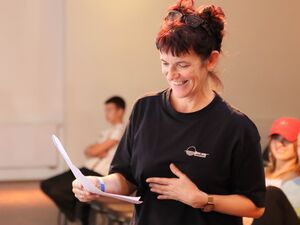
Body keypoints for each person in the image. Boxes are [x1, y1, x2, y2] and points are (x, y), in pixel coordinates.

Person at [72, 1, 266, 225]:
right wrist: (100, 185)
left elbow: (255, 206)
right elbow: (126, 177)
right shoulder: (145, 109)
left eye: (182, 65)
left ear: (211, 60)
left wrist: (202, 199)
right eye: (165, 63)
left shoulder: (236, 127)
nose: (171, 74)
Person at [41, 96, 126, 225]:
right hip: (88, 168)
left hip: (98, 173)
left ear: (120, 111)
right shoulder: (107, 131)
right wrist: (96, 149)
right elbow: (88, 151)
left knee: (58, 189)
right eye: (105, 110)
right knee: (47, 185)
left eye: (110, 110)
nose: (107, 113)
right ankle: (75, 212)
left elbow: (93, 151)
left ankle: (76, 214)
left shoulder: (121, 130)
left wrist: (96, 150)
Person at [248, 117, 300, 225]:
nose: (279, 144)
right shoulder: (257, 172)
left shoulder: (297, 181)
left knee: (272, 193)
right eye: (275, 138)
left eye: (286, 139)